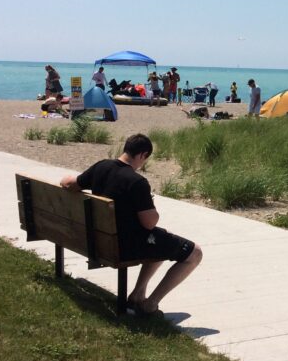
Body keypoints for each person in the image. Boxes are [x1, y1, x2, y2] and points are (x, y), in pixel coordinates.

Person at [59, 134, 203, 315]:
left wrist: (65, 179)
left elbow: (69, 183)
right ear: (142, 155)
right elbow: (150, 223)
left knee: (163, 238)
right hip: (125, 246)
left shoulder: (101, 167)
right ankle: (151, 304)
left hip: (99, 239)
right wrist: (154, 210)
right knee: (195, 253)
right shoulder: (137, 182)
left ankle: (137, 295)